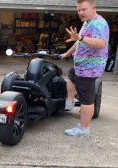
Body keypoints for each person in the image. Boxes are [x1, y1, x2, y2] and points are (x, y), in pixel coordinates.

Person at [60, 0, 109, 137]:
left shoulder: (99, 23)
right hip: (81, 67)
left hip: (90, 69)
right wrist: (66, 54)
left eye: (83, 9)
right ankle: (69, 102)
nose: (81, 12)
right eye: (78, 10)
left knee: (87, 100)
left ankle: (84, 129)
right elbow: (78, 42)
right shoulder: (87, 22)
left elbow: (100, 43)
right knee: (71, 75)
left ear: (93, 8)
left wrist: (80, 37)